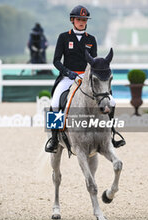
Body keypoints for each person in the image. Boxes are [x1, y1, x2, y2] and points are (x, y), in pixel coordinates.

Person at [45, 5, 125, 153]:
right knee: (55, 102)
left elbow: (93, 62)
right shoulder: (64, 37)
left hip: (87, 77)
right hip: (68, 77)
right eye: (79, 19)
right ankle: (54, 139)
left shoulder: (91, 39)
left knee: (111, 101)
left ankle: (112, 133)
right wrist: (68, 72)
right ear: (72, 20)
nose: (82, 22)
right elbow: (56, 61)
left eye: (84, 19)